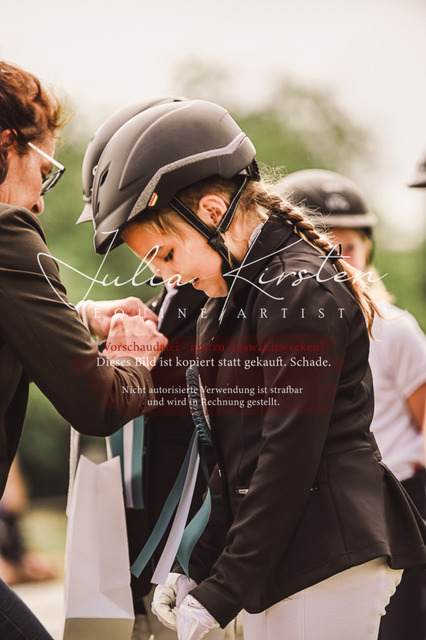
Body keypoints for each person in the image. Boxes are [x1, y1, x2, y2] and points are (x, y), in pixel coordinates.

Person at [88, 98, 426, 640]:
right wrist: (199, 564)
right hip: (284, 557)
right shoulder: (228, 299)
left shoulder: (298, 290)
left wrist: (222, 591)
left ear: (213, 212)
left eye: (167, 255)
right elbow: (232, 464)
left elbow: (288, 459)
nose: (169, 279)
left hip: (327, 555)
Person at [0, 61, 167, 639]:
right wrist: (133, 357)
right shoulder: (7, 231)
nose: (40, 202)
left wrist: (80, 317)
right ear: (7, 146)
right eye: (44, 173)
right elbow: (97, 403)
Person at [80, 100, 233, 640]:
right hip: (149, 551)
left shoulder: (223, 295)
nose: (155, 268)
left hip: (200, 555)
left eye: (162, 253)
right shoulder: (168, 296)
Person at [281, 168, 426, 640]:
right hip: (324, 503)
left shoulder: (395, 329)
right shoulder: (286, 330)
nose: (338, 261)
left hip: (396, 500)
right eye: (323, 249)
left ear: (369, 252)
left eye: (349, 248)